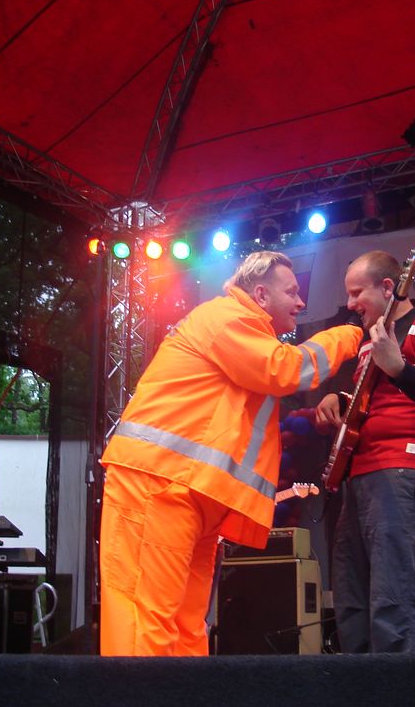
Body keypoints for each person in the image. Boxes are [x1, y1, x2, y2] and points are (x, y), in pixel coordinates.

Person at [98, 251, 362, 656]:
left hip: (185, 489)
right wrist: (350, 334)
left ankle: (174, 689)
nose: (300, 302)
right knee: (145, 616)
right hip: (159, 482)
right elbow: (286, 370)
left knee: (185, 623)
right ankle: (140, 689)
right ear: (260, 294)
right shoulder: (226, 318)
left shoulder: (240, 330)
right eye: (292, 291)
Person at [315, 250, 415, 653]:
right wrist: (340, 400)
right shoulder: (371, 343)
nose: (350, 304)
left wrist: (398, 367)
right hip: (361, 474)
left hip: (404, 467)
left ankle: (408, 684)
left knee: (394, 596)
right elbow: (373, 404)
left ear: (386, 287)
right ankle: (367, 682)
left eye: (356, 292)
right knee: (352, 597)